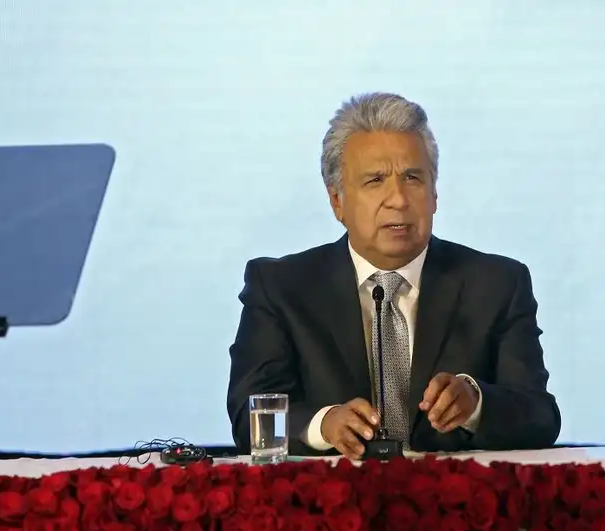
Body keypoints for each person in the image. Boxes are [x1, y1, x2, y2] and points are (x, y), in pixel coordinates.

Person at [227, 92, 561, 459]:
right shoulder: (281, 287)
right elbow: (248, 416)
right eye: (375, 180)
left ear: (434, 193)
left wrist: (476, 404)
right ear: (337, 200)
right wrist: (325, 425)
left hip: (456, 491)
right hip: (333, 492)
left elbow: (540, 417)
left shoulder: (497, 284)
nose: (398, 199)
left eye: (412, 178)